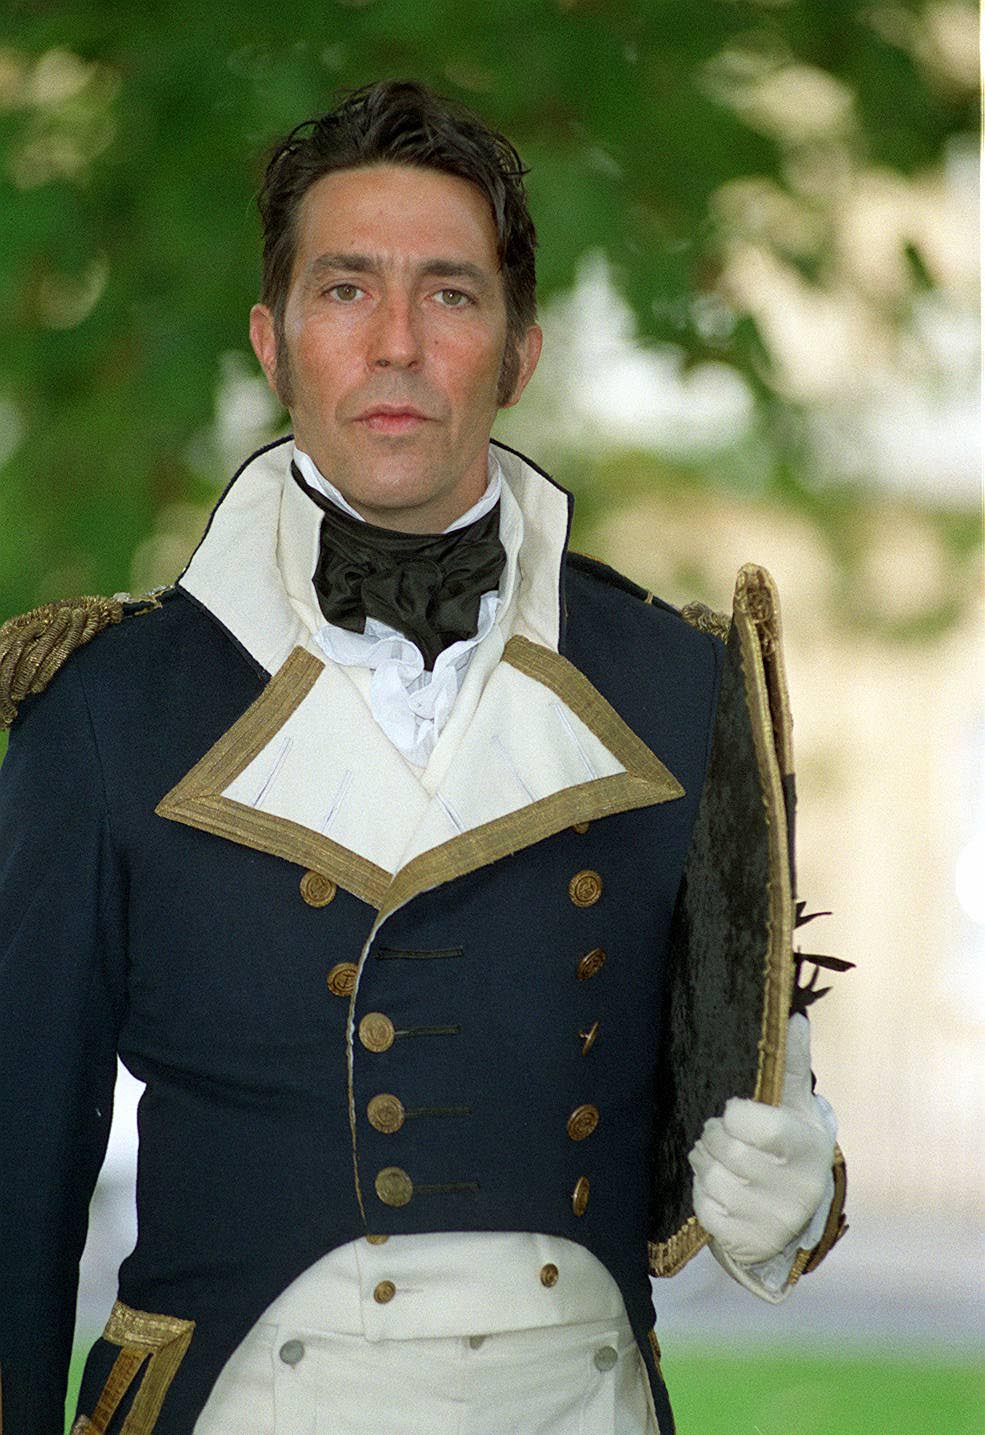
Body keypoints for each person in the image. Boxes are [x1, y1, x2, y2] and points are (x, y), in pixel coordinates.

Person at [0, 79, 845, 1435]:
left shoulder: (677, 684)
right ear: (273, 344)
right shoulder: (108, 707)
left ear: (517, 354)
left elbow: (745, 1075)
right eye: (346, 290)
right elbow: (16, 1174)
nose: (395, 345)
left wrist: (795, 1192)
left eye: (449, 296)